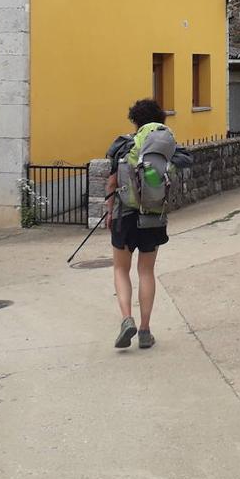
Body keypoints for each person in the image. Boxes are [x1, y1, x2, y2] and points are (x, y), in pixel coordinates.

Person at [105, 98, 174, 350]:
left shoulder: (124, 145)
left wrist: (109, 210)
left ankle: (127, 319)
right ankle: (145, 330)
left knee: (121, 270)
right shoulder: (164, 146)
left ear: (135, 120)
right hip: (153, 215)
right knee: (146, 271)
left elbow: (112, 182)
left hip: (125, 215)